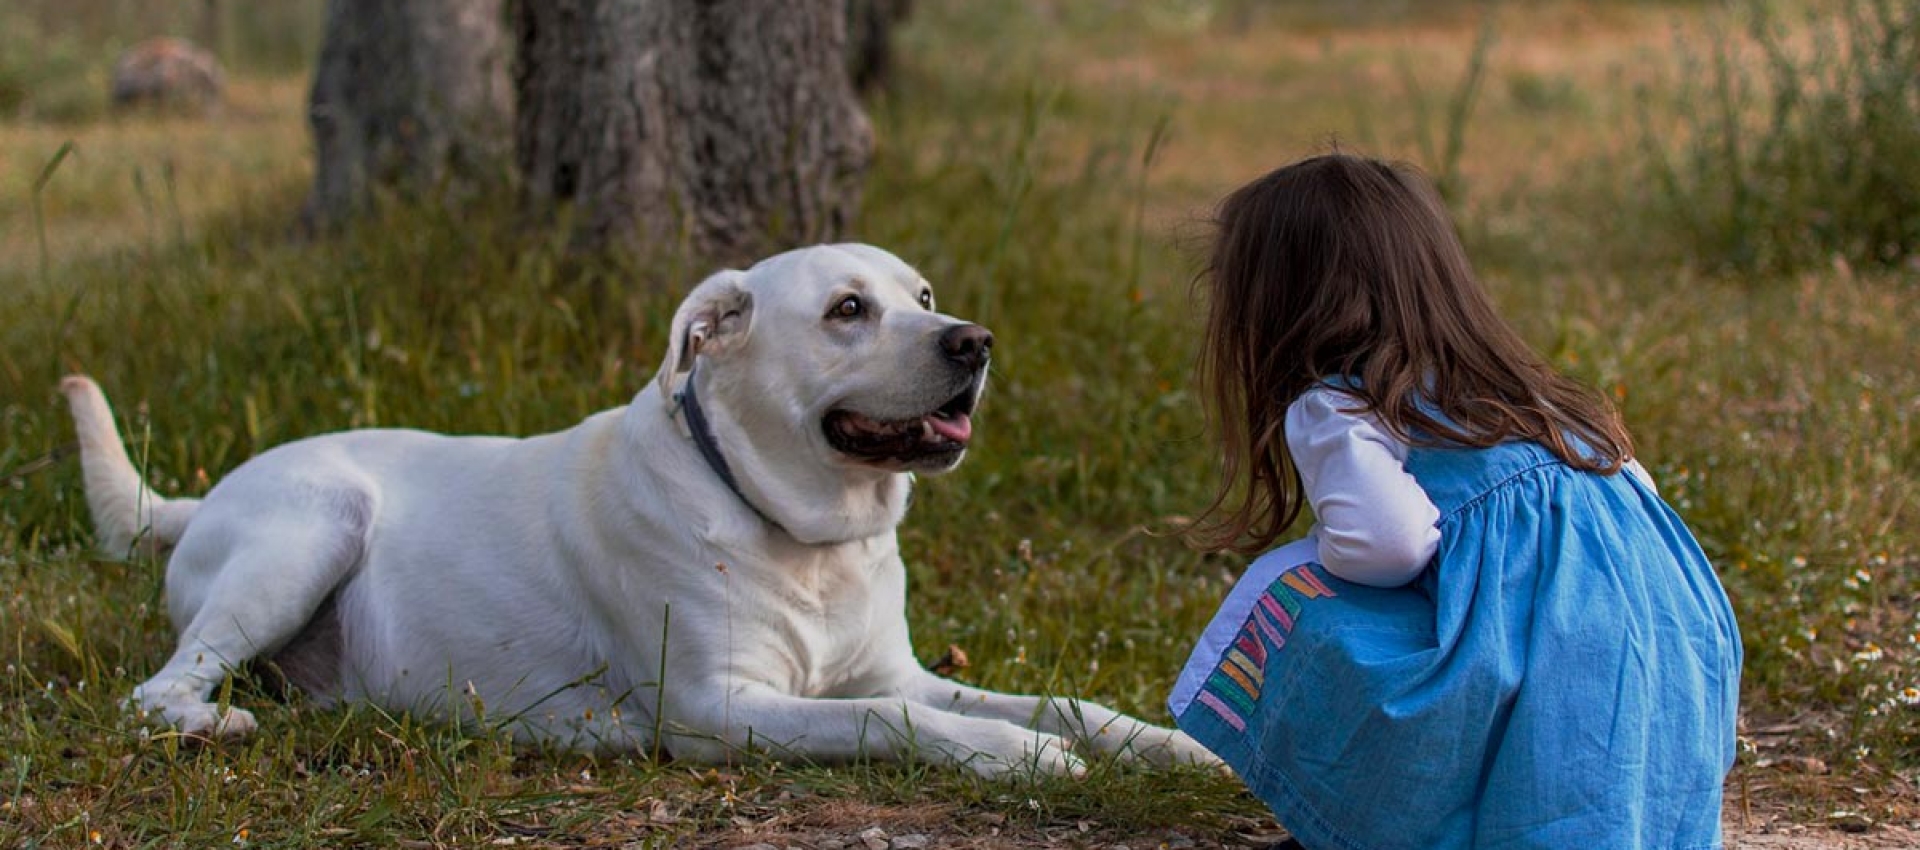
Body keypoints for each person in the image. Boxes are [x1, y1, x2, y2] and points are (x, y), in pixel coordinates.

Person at [1168, 153, 1742, 850]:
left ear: (1278, 305)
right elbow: (1636, 499)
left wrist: (1319, 552)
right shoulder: (1533, 396)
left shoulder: (1341, 406)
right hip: (1672, 649)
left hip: (1538, 666)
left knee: (1295, 599)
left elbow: (1390, 543)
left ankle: (1380, 823)